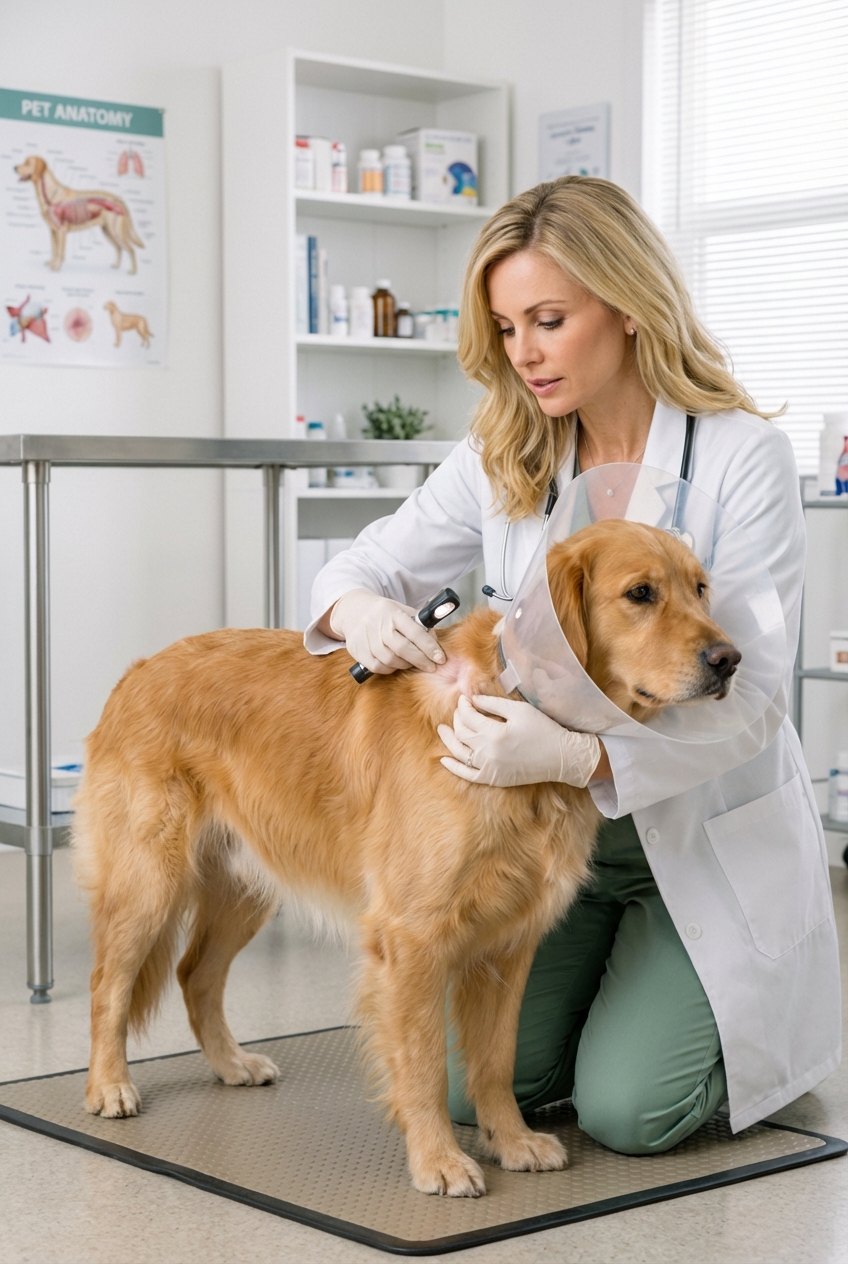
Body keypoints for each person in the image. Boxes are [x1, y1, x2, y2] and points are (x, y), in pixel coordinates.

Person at [305, 176, 840, 1155]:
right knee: (471, 1094)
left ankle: (717, 1039)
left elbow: (752, 699)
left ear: (625, 304)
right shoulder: (507, 448)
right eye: (507, 328)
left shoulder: (739, 456)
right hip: (546, 842)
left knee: (626, 1110)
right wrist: (358, 606)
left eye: (547, 319)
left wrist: (580, 759)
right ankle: (607, 991)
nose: (524, 353)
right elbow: (366, 558)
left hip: (689, 833)